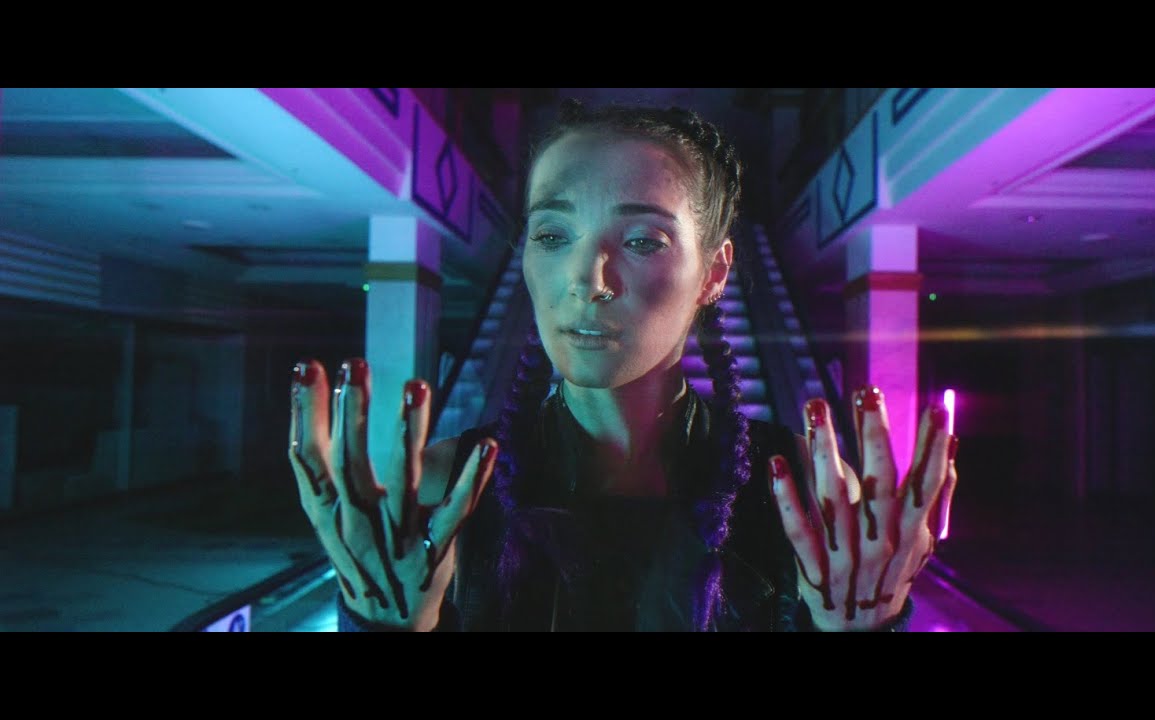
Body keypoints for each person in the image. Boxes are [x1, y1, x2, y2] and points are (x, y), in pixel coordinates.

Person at [288, 100, 959, 631]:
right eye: (552, 234)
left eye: (642, 240)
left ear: (714, 272)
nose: (589, 279)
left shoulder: (803, 495)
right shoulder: (444, 491)